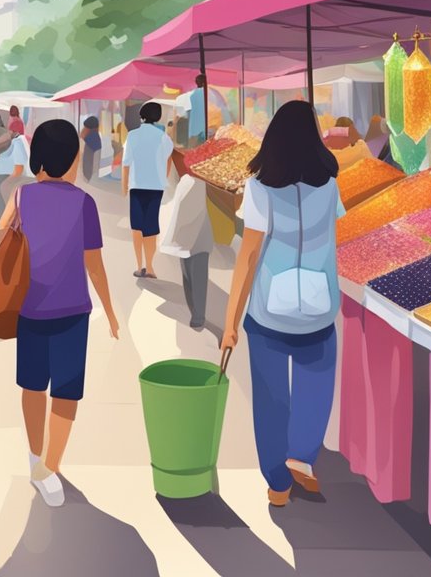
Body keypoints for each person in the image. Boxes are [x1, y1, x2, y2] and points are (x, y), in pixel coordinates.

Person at [221, 100, 342, 508]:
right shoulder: (330, 186)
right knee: (317, 386)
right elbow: (332, 236)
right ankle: (302, 457)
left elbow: (248, 256)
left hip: (269, 311)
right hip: (319, 305)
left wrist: (230, 321)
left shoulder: (259, 190)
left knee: (272, 400)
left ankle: (277, 485)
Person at [0, 119, 119, 507]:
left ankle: (37, 459)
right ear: (72, 158)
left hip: (29, 308)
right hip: (72, 311)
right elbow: (94, 265)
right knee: (66, 393)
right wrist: (111, 311)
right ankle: (49, 466)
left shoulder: (21, 197)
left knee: (33, 386)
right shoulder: (85, 203)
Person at [160, 150, 214, 329]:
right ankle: (196, 314)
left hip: (193, 239)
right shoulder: (190, 182)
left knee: (192, 279)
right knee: (193, 278)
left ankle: (198, 316)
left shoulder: (193, 183)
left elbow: (186, 213)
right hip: (193, 240)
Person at [122, 102, 174, 278]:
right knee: (151, 227)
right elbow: (168, 159)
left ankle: (139, 266)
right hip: (156, 187)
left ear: (141, 116)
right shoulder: (163, 137)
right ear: (158, 117)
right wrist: (163, 178)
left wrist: (124, 187)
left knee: (137, 227)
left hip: (136, 186)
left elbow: (126, 163)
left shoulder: (132, 135)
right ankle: (150, 267)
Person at [79, 116, 102, 181]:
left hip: (87, 176)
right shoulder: (96, 138)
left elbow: (87, 161)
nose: (82, 129)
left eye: (84, 127)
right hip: (94, 175)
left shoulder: (90, 140)